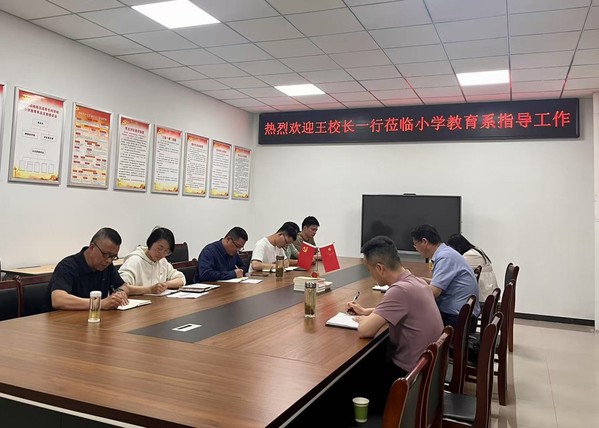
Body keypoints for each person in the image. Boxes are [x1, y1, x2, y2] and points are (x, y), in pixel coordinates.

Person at [346, 235, 443, 410]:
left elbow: (365, 331)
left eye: (369, 269)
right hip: (428, 373)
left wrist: (366, 320)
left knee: (352, 383)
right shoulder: (415, 281)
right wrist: (368, 312)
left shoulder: (399, 290)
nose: (370, 274)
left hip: (409, 379)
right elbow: (402, 308)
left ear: (380, 268)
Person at [411, 224, 480, 330]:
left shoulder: (445, 257)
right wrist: (424, 281)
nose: (415, 248)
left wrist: (408, 292)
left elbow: (434, 292)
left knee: (411, 322)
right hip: (463, 315)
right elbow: (443, 283)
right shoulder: (447, 252)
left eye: (415, 244)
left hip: (458, 320)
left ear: (424, 242)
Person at [49, 227, 130, 311]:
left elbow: (123, 286)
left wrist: (120, 292)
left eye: (113, 257)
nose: (109, 260)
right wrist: (99, 304)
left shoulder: (107, 265)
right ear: (92, 247)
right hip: (63, 318)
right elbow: (58, 300)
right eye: (106, 255)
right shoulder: (67, 266)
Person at [119, 227, 186, 295]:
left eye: (166, 251)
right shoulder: (134, 260)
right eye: (159, 248)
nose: (162, 254)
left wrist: (165, 284)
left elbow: (181, 279)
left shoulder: (162, 261)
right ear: (150, 243)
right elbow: (121, 287)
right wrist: (149, 289)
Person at [447, 233, 499, 309]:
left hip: (484, 295)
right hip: (489, 291)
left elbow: (454, 270)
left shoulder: (469, 255)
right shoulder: (476, 250)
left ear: (458, 247)